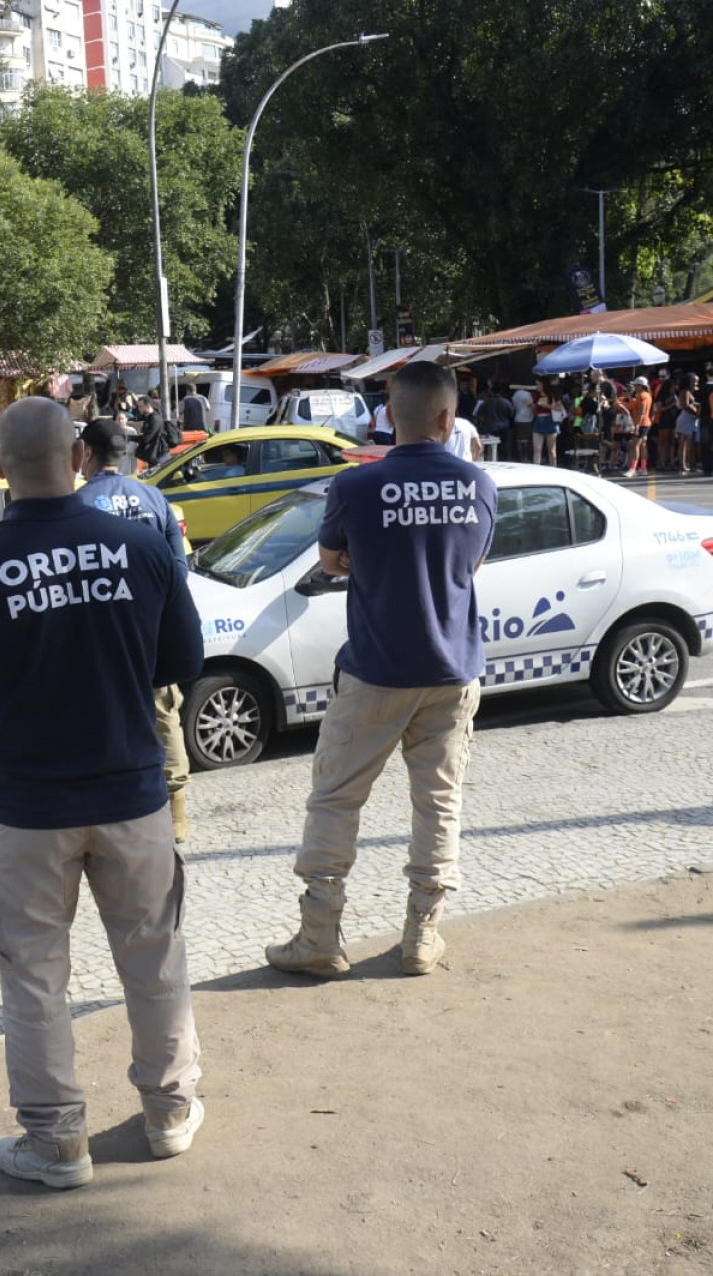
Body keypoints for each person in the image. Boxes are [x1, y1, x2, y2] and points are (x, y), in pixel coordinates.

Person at [0, 396, 205, 1190]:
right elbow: (184, 655)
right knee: (154, 956)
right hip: (133, 794)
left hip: (28, 806)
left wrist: (13, 681)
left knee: (34, 974)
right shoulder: (142, 544)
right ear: (78, 458)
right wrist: (101, 669)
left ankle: (56, 1144)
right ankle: (170, 1112)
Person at [265, 360, 495, 985]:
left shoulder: (355, 487)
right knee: (438, 802)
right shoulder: (479, 486)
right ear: (449, 420)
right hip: (452, 670)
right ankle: (422, 934)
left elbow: (332, 560)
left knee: (336, 799)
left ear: (388, 415)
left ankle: (318, 936)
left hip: (374, 670)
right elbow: (468, 566)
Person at [77, 416, 193, 841]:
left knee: (101, 720)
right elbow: (177, 570)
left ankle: (111, 812)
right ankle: (177, 815)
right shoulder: (154, 498)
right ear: (124, 454)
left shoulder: (79, 505)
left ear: (85, 454)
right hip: (151, 631)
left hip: (101, 637)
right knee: (164, 718)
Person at [510, 381, 535, 461]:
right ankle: (525, 458)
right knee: (526, 441)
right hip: (526, 419)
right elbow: (530, 405)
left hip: (518, 417)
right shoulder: (526, 394)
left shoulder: (515, 394)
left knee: (519, 440)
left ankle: (520, 457)